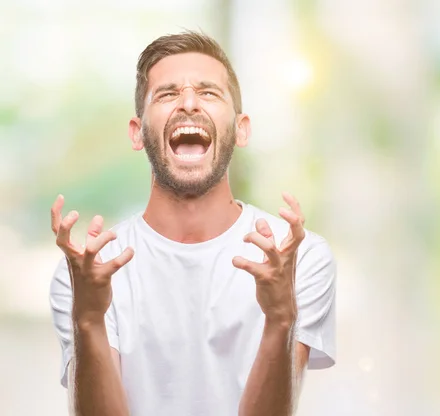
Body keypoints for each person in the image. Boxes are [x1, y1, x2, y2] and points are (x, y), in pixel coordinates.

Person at [48, 30, 336, 416]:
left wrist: (281, 318)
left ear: (242, 128)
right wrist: (89, 319)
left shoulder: (297, 257)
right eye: (167, 94)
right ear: (137, 132)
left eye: (209, 92)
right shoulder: (89, 270)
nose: (188, 103)